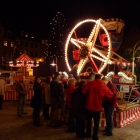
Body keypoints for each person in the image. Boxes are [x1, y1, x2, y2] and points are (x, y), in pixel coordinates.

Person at [82, 74, 114, 140]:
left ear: (94, 77)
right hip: (97, 107)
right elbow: (110, 95)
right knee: (96, 123)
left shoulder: (89, 83)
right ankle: (95, 136)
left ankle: (88, 135)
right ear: (100, 78)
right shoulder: (103, 86)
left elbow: (83, 91)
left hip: (88, 106)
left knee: (88, 121)